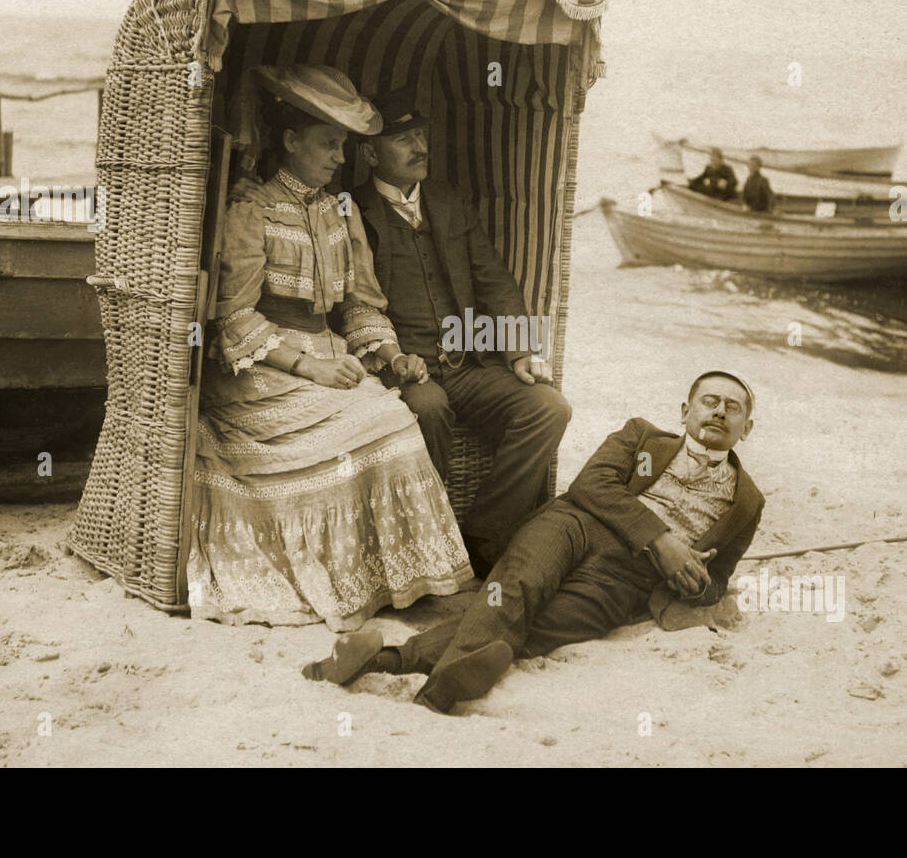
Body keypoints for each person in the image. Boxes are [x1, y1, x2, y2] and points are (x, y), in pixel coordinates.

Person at [187, 65, 472, 633]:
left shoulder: (341, 212)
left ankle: (393, 582)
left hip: (330, 353)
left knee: (394, 416)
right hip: (263, 366)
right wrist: (308, 365)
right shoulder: (252, 211)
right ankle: (346, 583)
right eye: (327, 144)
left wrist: (390, 356)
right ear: (290, 142)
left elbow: (361, 305)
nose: (339, 157)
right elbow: (233, 316)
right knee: (368, 426)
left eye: (343, 144)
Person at [303, 369, 765, 713]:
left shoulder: (748, 501)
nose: (720, 411)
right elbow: (593, 485)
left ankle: (391, 664)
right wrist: (662, 539)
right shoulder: (641, 436)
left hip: (629, 579)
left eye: (733, 407)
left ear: (746, 428)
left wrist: (694, 581)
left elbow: (717, 582)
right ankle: (440, 689)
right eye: (710, 401)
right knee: (518, 588)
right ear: (686, 412)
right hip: (576, 525)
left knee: (540, 623)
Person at [351, 87, 572, 572]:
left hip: (469, 362)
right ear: (370, 153)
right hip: (400, 369)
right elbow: (350, 302)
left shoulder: (449, 201)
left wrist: (518, 352)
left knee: (549, 409)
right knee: (428, 409)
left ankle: (479, 537)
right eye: (403, 139)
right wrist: (390, 359)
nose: (419, 147)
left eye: (420, 135)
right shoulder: (350, 210)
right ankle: (422, 544)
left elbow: (494, 280)